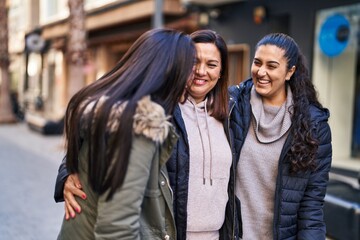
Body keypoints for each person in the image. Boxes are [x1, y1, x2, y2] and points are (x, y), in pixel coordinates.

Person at [54, 29, 239, 239]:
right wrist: (68, 173)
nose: (198, 71)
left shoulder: (231, 109)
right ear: (170, 68)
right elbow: (117, 226)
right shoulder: (148, 118)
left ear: (222, 71)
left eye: (212, 64)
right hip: (166, 231)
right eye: (191, 63)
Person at [229, 33, 332, 239]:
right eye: (257, 63)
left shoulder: (313, 126)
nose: (261, 71)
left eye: (272, 65)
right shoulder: (233, 107)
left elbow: (311, 204)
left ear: (290, 72)